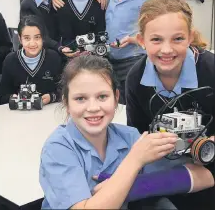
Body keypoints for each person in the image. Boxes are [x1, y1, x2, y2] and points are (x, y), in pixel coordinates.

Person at [39, 54, 214, 209]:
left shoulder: (129, 137)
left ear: (116, 98)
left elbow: (202, 174)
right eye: (80, 98)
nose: (93, 108)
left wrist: (144, 184)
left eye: (102, 96)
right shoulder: (58, 148)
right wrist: (134, 161)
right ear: (66, 103)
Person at [126, 0, 215, 210]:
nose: (167, 50)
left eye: (178, 39)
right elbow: (138, 134)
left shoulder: (210, 70)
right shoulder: (135, 78)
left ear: (190, 37)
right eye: (156, 40)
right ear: (141, 41)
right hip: (163, 167)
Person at [0, 15, 62, 105]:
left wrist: (51, 97)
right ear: (20, 39)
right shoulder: (10, 60)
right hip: (20, 113)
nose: (32, 43)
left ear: (43, 38)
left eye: (37, 37)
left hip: (48, 111)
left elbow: (64, 91)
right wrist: (12, 98)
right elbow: (2, 96)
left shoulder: (53, 58)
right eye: (27, 38)